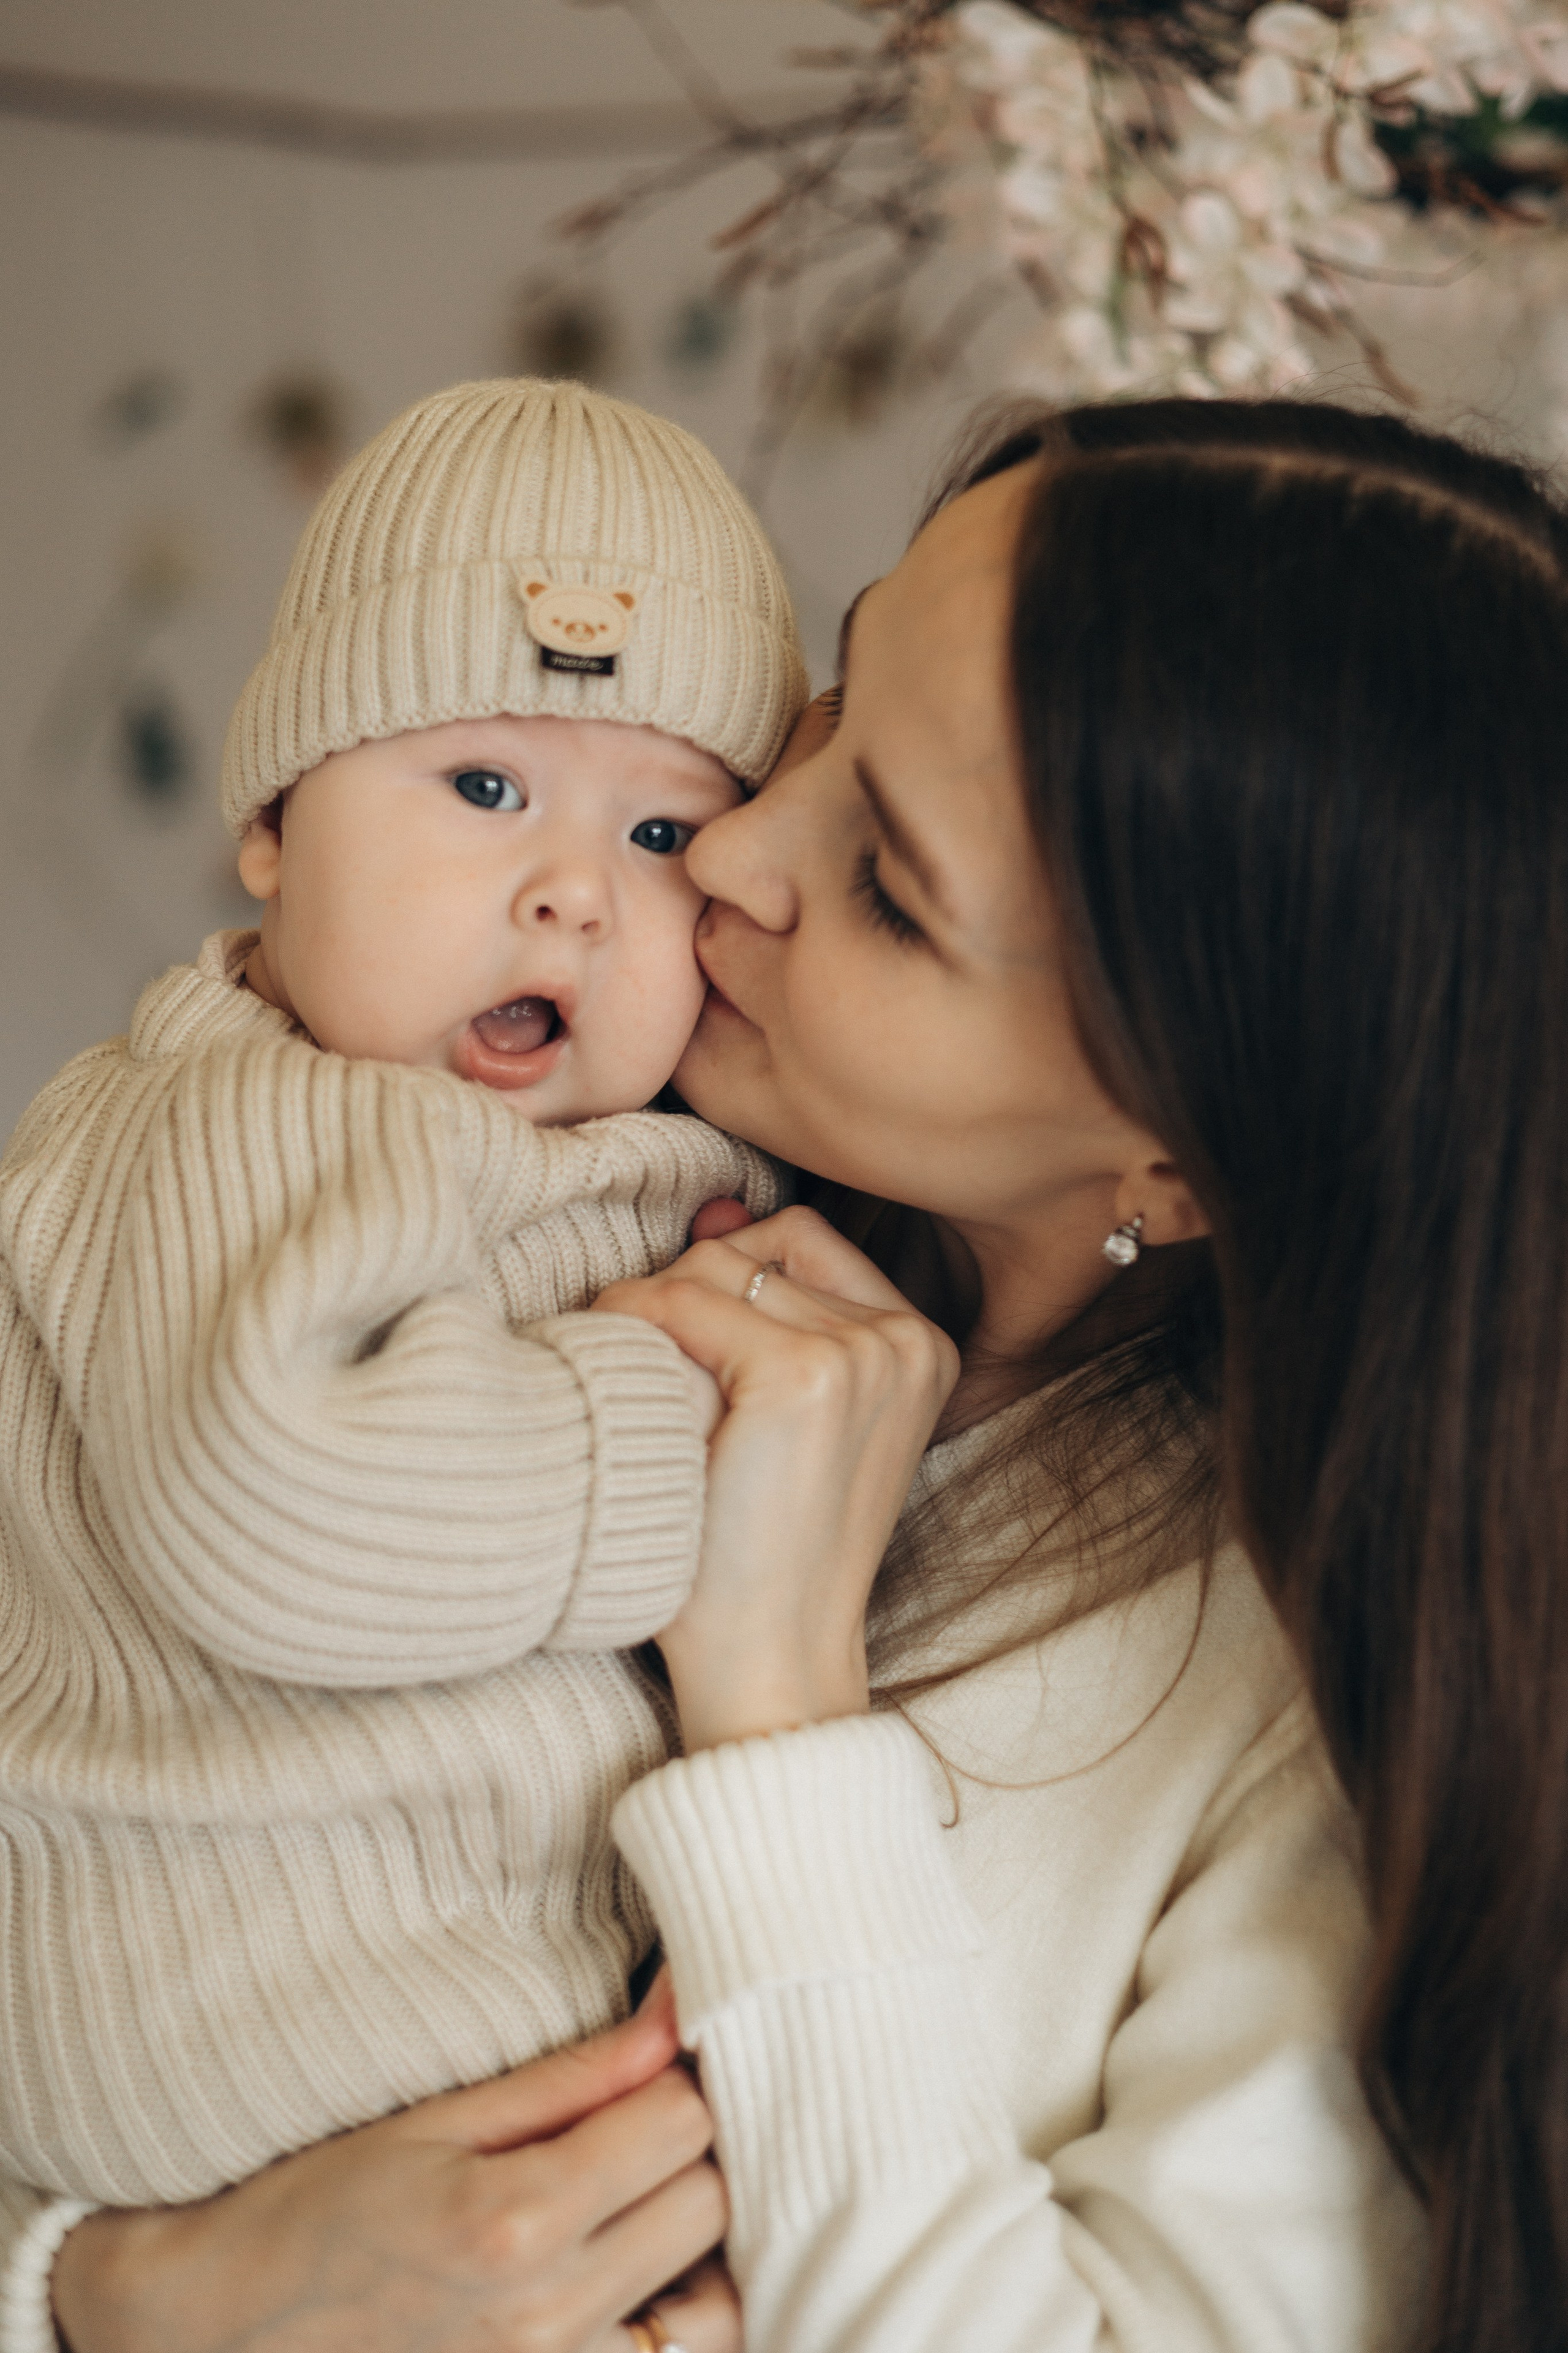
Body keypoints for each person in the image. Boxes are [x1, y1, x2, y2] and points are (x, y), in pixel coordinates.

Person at [36, 394, 1566, 2353]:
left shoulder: (1322, 1735)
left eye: (892, 888)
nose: (730, 846)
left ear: (1176, 1155)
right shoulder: (440, 1170)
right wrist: (114, 2288)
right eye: (832, 707)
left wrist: (778, 1715)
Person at [0, 375, 805, 2351]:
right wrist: (696, 1423)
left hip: (468, 2075)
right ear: (269, 828)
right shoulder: (240, 1117)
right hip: (270, 2024)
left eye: (663, 828)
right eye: (479, 788)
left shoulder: (576, 1145)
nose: (571, 888)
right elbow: (290, 1493)